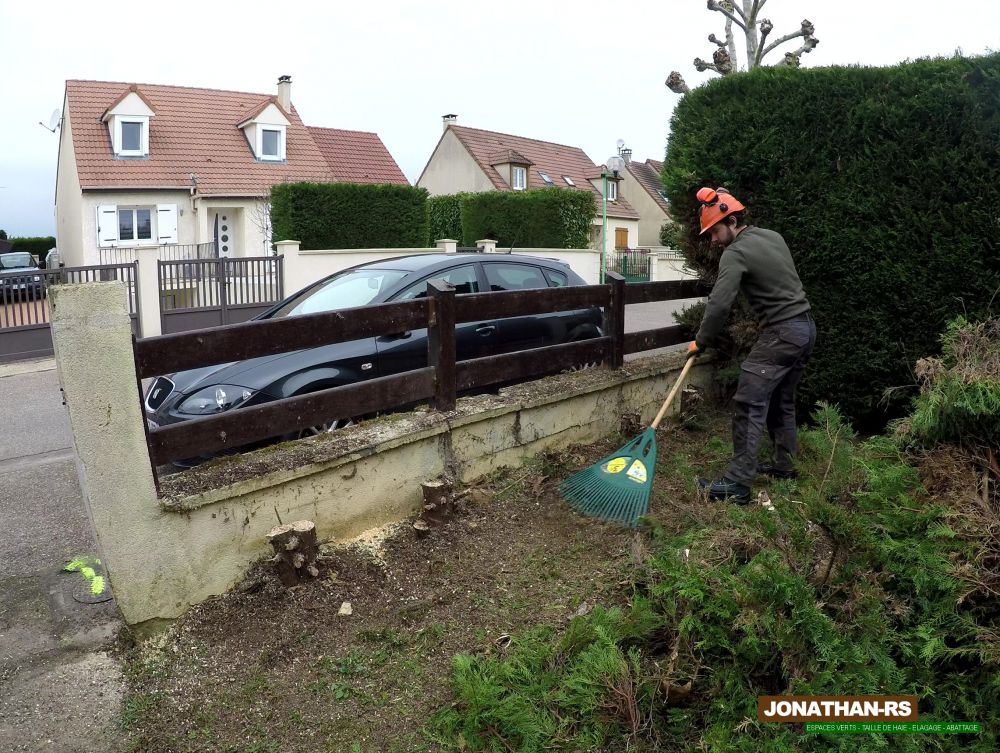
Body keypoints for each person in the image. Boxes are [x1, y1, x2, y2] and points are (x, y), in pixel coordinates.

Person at [686, 187, 816, 505]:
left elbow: (719, 304)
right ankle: (784, 466)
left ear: (731, 221)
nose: (713, 240)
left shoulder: (735, 253)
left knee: (748, 401)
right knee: (782, 400)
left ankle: (737, 483)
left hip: (782, 333)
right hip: (805, 328)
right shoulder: (773, 237)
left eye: (714, 231)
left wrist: (701, 340)